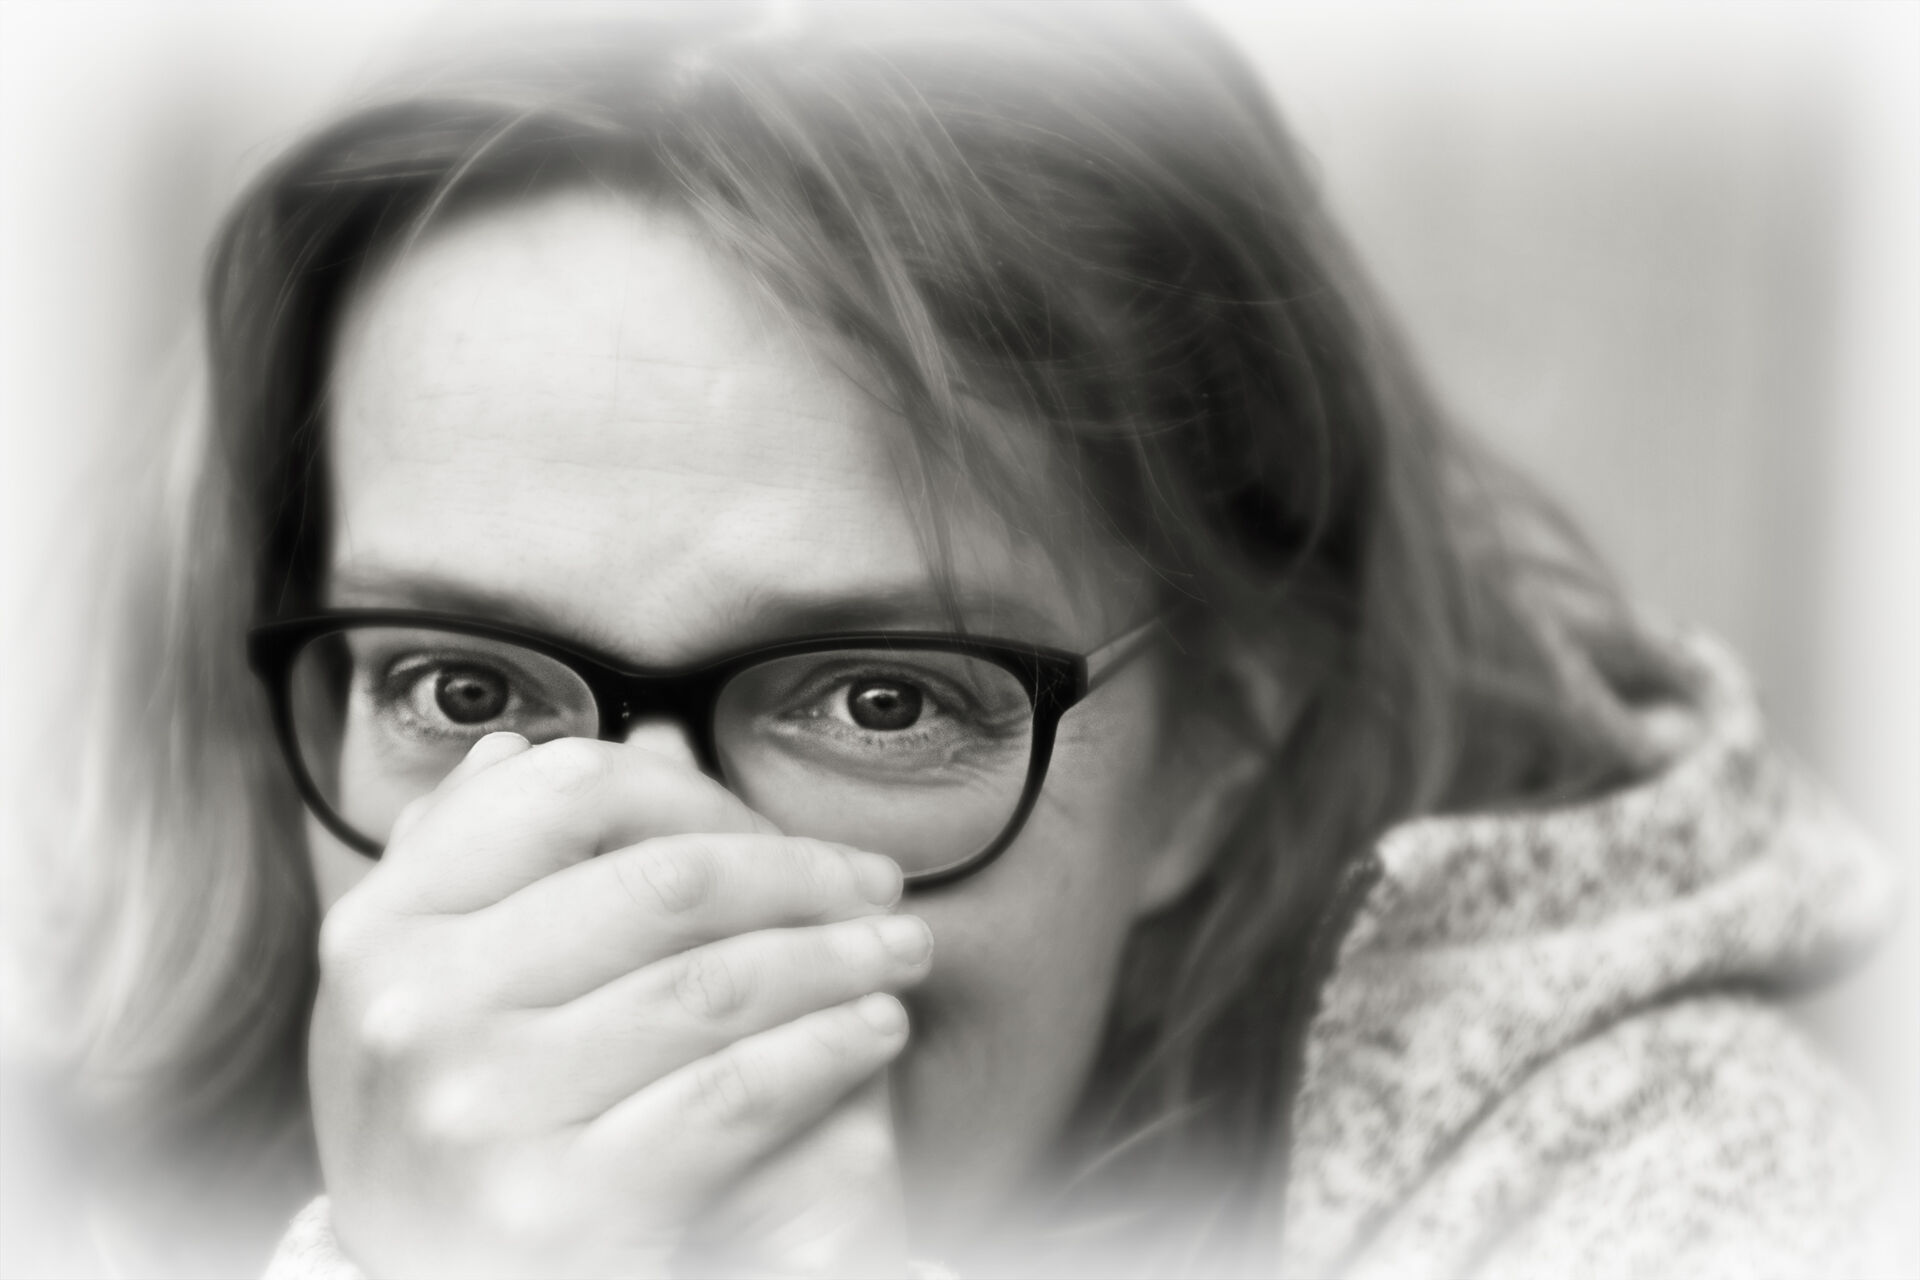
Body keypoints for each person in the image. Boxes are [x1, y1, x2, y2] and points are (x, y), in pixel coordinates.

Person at [6, 3, 1894, 1277]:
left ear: (1225, 743)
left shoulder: (1677, 1207)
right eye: (464, 688)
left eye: (879, 699)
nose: (637, 894)